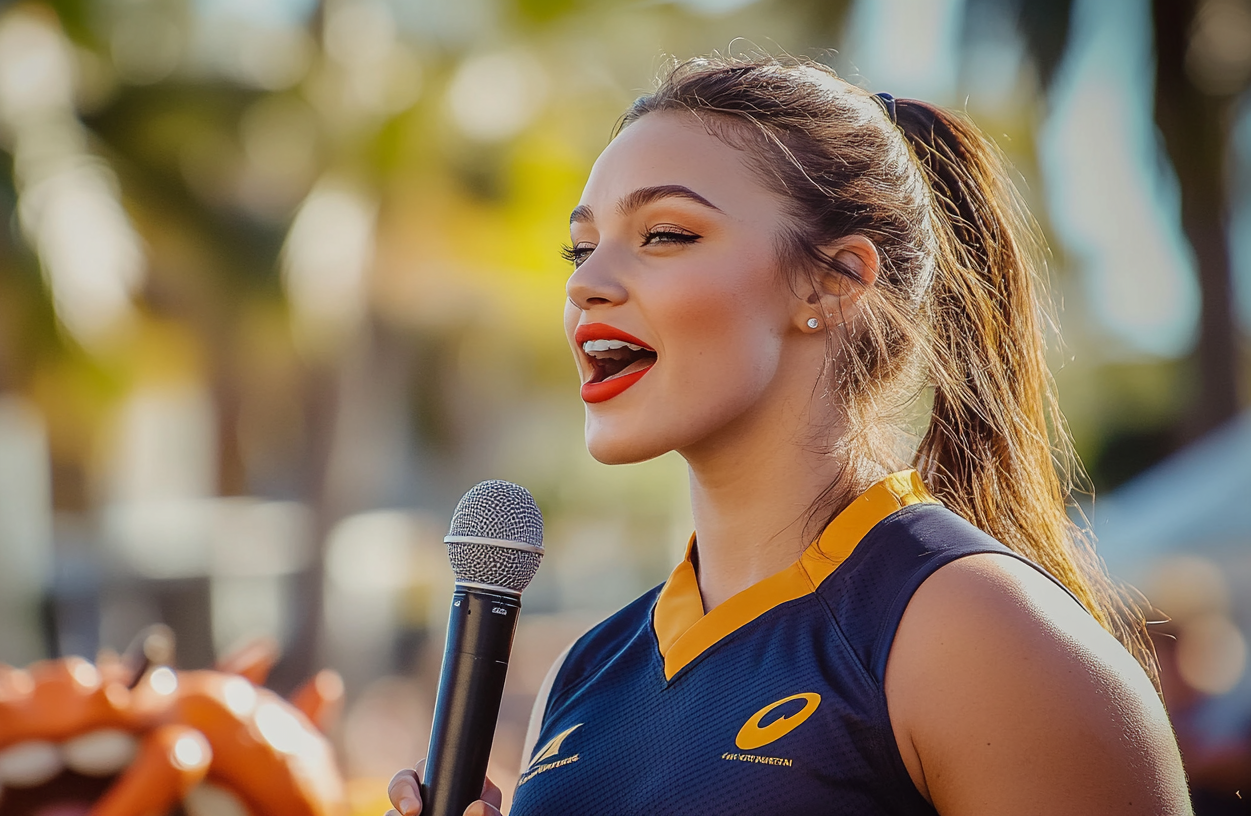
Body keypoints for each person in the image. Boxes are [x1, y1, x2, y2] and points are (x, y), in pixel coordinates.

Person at [387, 55, 1193, 816]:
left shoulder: (976, 634)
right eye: (582, 246)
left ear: (834, 281)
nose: (586, 283)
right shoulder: (589, 668)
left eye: (665, 234)